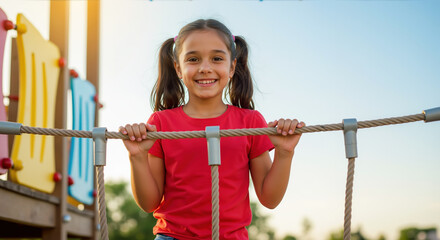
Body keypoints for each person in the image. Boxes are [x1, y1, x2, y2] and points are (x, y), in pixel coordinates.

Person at [119, 19, 305, 240]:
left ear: (232, 67)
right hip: (172, 237)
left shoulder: (251, 122)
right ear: (178, 68)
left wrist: (285, 153)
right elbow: (149, 203)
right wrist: (137, 157)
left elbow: (270, 199)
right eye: (193, 59)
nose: (205, 68)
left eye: (217, 58)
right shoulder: (160, 123)